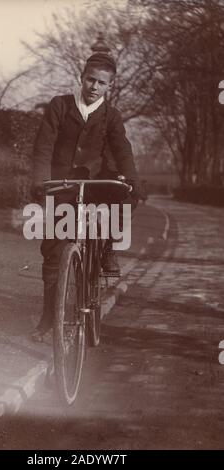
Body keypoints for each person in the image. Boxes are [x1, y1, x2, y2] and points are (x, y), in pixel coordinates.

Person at [30, 52, 140, 341]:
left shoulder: (111, 116)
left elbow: (122, 149)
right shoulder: (60, 106)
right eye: (90, 79)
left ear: (109, 86)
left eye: (101, 83)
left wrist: (133, 179)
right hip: (62, 185)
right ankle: (47, 319)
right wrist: (40, 181)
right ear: (81, 78)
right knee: (53, 251)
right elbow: (44, 146)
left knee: (116, 204)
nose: (94, 86)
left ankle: (106, 249)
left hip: (95, 187)